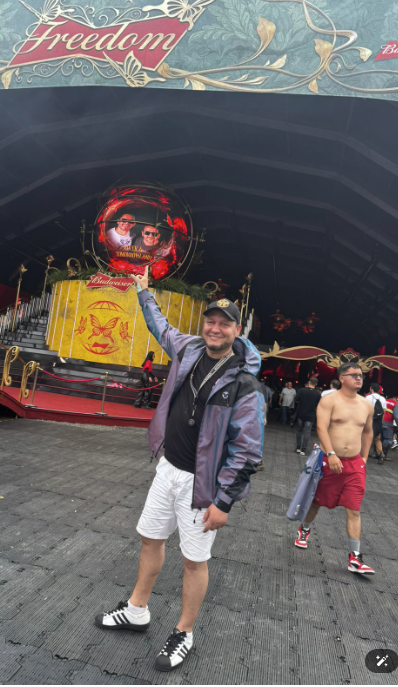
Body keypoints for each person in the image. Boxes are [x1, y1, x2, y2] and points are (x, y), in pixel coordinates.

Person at [95, 267, 264, 672]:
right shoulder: (188, 348)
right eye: (211, 321)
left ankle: (184, 632)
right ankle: (136, 609)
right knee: (150, 538)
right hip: (167, 467)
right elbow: (160, 327)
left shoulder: (245, 385)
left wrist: (223, 502)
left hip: (201, 485)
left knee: (193, 560)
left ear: (237, 330)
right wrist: (144, 292)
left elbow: (248, 451)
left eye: (224, 324)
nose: (215, 328)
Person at [294, 363, 375, 575]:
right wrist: (330, 454)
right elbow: (321, 427)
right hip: (329, 461)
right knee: (316, 501)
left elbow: (368, 431)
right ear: (341, 378)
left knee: (354, 508)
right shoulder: (329, 400)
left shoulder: (366, 405)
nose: (359, 378)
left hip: (354, 465)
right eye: (354, 375)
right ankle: (304, 529)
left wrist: (365, 457)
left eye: (361, 375)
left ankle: (355, 557)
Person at [293, 377, 320, 456]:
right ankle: (303, 449)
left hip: (301, 413)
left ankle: (298, 447)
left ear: (309, 382)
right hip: (310, 415)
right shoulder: (318, 394)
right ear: (316, 384)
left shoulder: (302, 390)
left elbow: (296, 399)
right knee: (307, 432)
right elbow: (319, 405)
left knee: (299, 430)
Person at [365, 383, 386, 463]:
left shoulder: (368, 397)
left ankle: (364, 455)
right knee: (377, 439)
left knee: (366, 437)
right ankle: (380, 454)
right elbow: (383, 412)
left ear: (371, 388)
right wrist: (381, 422)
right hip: (378, 421)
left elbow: (365, 409)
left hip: (369, 420)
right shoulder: (383, 399)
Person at [381, 395, 398, 463]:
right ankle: (383, 454)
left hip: (380, 422)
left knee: (379, 439)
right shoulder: (395, 404)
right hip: (388, 423)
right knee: (388, 440)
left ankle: (377, 453)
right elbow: (396, 416)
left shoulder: (384, 400)